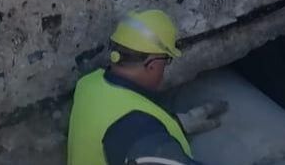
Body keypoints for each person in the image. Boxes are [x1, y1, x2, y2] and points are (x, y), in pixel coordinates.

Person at [67, 9, 221, 165]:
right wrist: (151, 133)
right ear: (153, 65)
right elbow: (138, 139)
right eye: (166, 61)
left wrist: (178, 124)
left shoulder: (88, 83)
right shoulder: (135, 126)